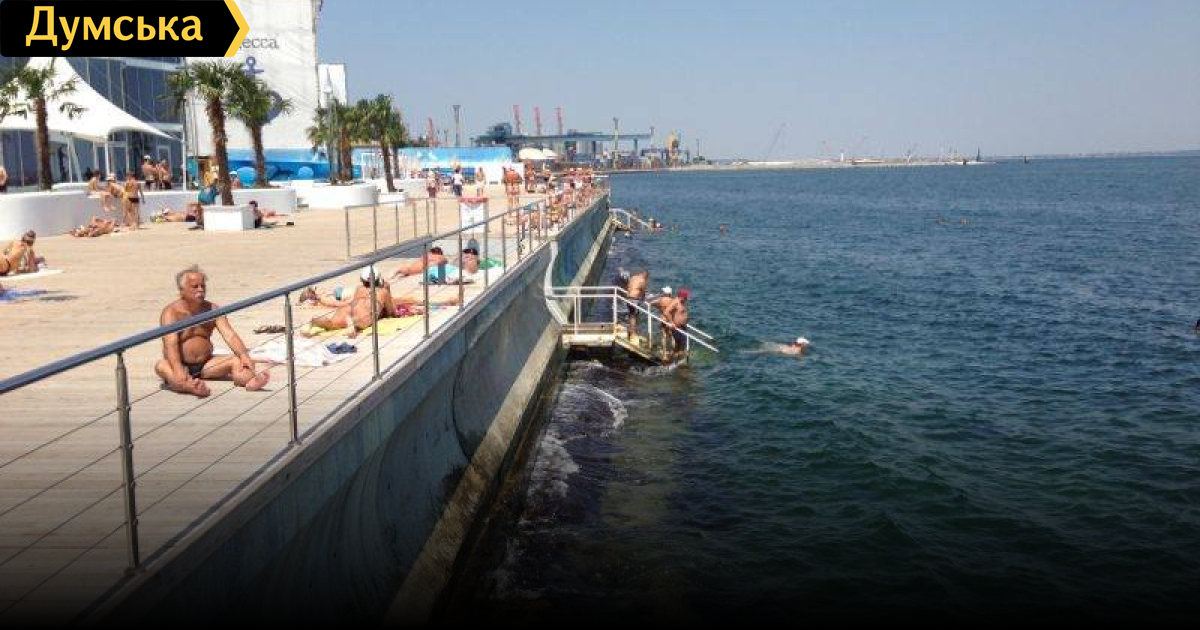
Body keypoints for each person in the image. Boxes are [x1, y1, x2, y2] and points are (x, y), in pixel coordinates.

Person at [154, 265, 271, 397]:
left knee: (238, 361)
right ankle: (192, 387)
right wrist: (178, 369)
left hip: (206, 364)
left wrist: (244, 356)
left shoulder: (211, 309)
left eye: (203, 286)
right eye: (195, 286)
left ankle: (249, 382)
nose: (200, 289)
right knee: (162, 367)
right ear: (182, 290)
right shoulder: (171, 313)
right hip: (179, 363)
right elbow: (171, 344)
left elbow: (230, 335)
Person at [303, 266, 397, 338]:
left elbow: (354, 304)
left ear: (362, 280)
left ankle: (314, 321)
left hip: (348, 308)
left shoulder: (359, 288)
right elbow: (391, 312)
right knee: (364, 320)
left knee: (332, 323)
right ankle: (352, 323)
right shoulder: (383, 292)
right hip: (362, 313)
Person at [663, 287, 691, 361]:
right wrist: (671, 322)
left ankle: (673, 359)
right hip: (677, 327)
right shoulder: (675, 302)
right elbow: (666, 312)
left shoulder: (681, 302)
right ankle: (678, 360)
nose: (687, 299)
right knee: (681, 345)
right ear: (682, 296)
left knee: (679, 345)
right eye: (685, 297)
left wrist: (685, 319)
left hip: (682, 326)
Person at [625, 269, 649, 337]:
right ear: (645, 276)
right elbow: (643, 291)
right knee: (634, 316)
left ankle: (630, 330)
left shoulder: (633, 277)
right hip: (634, 299)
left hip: (628, 298)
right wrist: (643, 298)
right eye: (646, 278)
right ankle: (633, 333)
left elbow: (628, 286)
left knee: (631, 315)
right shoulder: (642, 280)